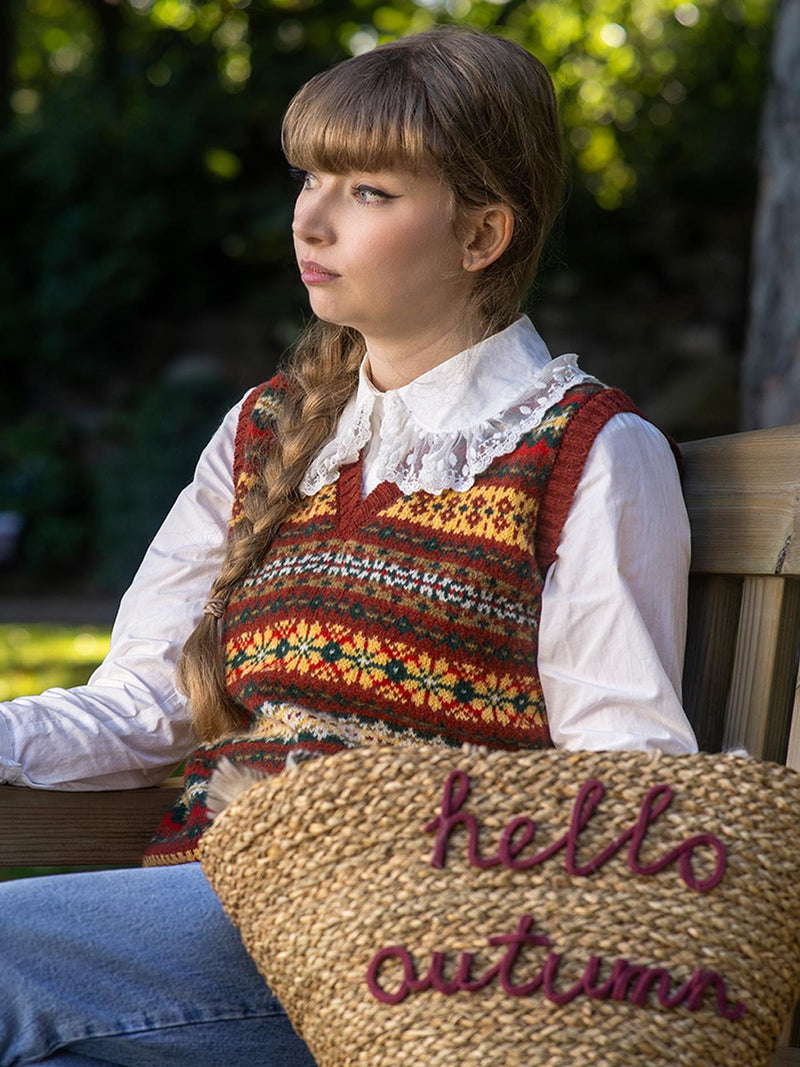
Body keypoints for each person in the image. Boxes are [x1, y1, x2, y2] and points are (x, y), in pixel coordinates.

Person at [0, 25, 697, 1065]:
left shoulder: (585, 452)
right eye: (311, 176)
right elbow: (150, 701)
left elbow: (629, 779)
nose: (310, 217)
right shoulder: (266, 429)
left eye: (367, 191)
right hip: (207, 913)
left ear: (480, 236)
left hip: (405, 956)